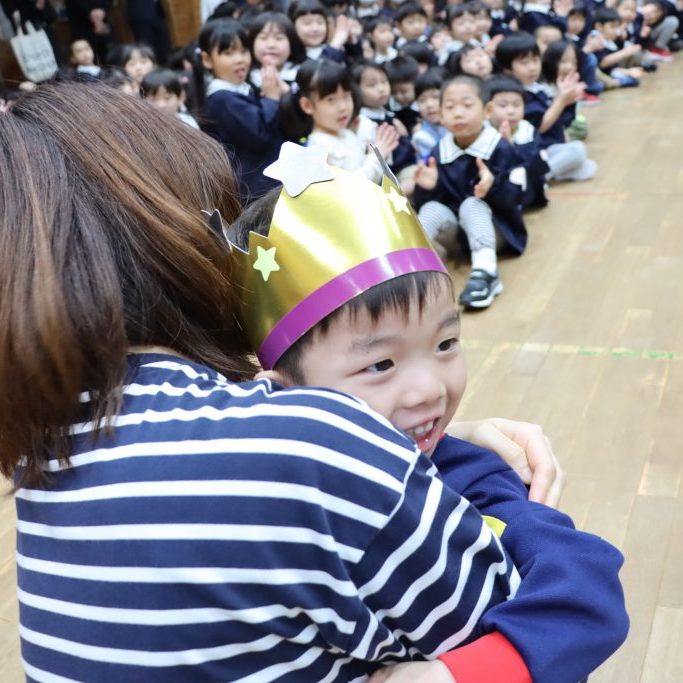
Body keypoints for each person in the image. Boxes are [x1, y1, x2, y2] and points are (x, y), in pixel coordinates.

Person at [1, 81, 562, 683]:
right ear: (175, 232)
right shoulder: (311, 446)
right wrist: (482, 476)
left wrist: (438, 443)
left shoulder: (48, 449)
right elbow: (535, 626)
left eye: (446, 343)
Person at [230, 143, 629, 683]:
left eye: (446, 344)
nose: (429, 390)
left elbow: (585, 587)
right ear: (282, 393)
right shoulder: (251, 490)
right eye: (381, 364)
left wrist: (452, 675)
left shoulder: (467, 477)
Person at [414, 75, 527, 309]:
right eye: (450, 107)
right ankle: (415, 270)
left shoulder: (501, 148)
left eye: (467, 105)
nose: (458, 113)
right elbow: (440, 203)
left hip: (497, 231)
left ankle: (487, 272)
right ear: (441, 115)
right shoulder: (439, 151)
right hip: (459, 237)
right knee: (430, 208)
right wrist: (428, 189)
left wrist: (493, 186)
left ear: (487, 110)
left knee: (471, 204)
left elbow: (517, 200)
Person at [195, 18, 285, 202]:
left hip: (267, 185)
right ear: (207, 60)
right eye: (228, 53)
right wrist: (271, 98)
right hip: (254, 191)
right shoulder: (221, 99)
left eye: (244, 51)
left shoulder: (244, 88)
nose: (239, 59)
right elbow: (259, 135)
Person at [496, 31, 597, 182]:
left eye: (535, 60)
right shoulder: (514, 95)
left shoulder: (538, 88)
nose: (532, 67)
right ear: (507, 68)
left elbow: (561, 121)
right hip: (532, 151)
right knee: (578, 150)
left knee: (587, 166)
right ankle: (535, 178)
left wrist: (567, 100)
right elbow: (540, 127)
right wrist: (561, 101)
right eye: (524, 63)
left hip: (550, 147)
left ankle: (542, 174)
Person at [279, 59, 399, 183]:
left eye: (346, 96)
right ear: (307, 105)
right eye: (331, 100)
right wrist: (376, 156)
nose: (343, 107)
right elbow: (351, 188)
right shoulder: (318, 148)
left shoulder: (347, 133)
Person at [485, 74, 549, 209]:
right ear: (487, 109)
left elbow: (537, 164)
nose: (511, 111)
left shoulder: (527, 129)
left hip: (527, 190)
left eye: (517, 104)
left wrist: (510, 145)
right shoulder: (483, 131)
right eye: (503, 105)